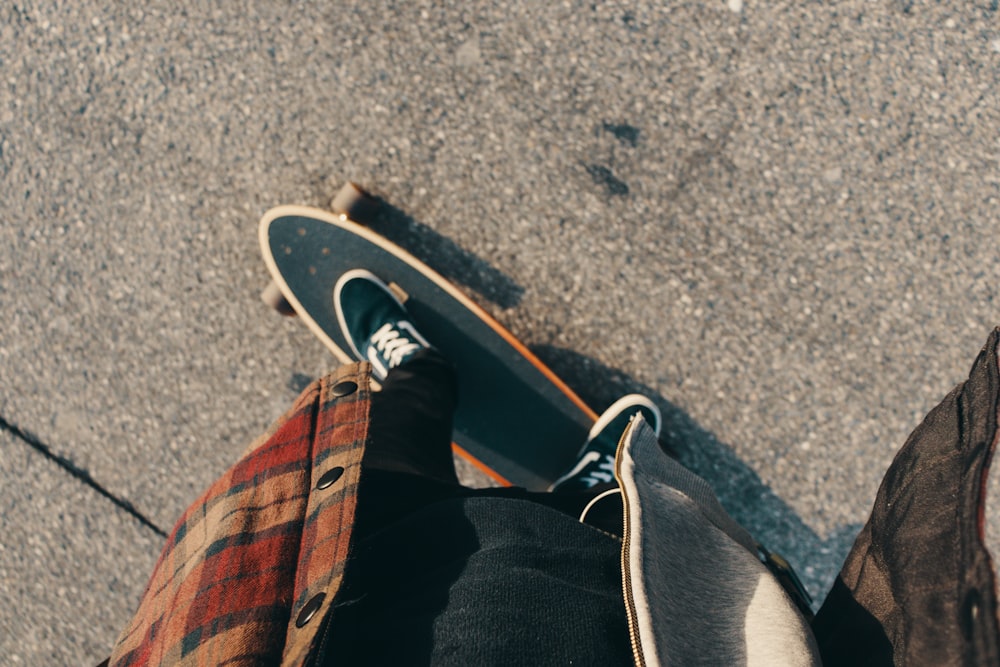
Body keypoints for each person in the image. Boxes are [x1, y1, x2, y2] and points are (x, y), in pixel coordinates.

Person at [104, 270, 1000, 666]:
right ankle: (598, 496)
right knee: (565, 584)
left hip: (274, 635)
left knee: (374, 478)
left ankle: (420, 371)